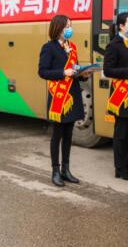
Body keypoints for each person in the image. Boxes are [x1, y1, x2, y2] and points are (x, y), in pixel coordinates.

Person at [38, 15, 88, 187]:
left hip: (72, 96)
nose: (69, 29)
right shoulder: (48, 48)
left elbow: (74, 69)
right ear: (58, 28)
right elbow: (43, 72)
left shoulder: (72, 47)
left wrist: (82, 74)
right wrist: (62, 73)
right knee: (57, 135)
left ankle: (66, 170)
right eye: (67, 26)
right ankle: (55, 171)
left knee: (68, 135)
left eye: (70, 26)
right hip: (59, 97)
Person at [103, 12, 128, 181]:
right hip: (121, 96)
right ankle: (119, 168)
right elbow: (108, 70)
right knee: (121, 134)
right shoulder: (114, 45)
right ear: (121, 26)